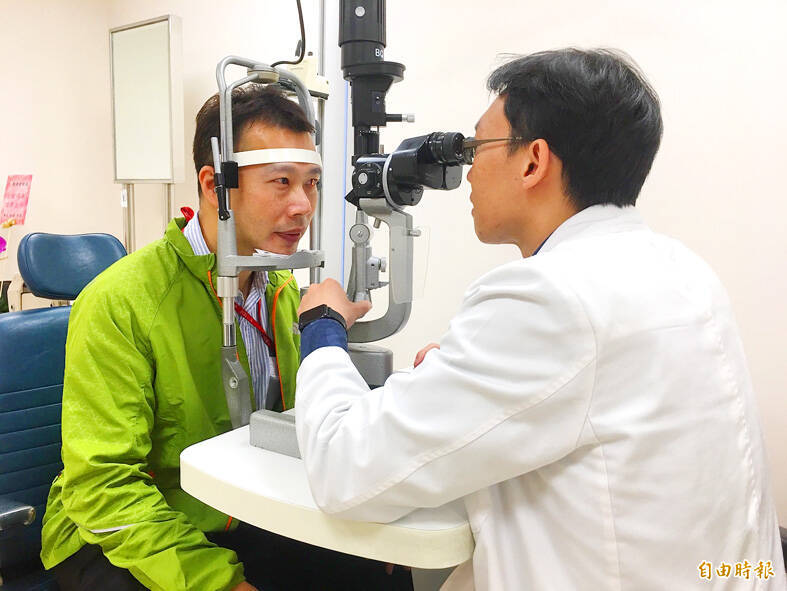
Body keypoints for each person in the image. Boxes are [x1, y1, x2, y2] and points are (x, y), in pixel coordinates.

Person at [294, 49, 787, 590]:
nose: (468, 171)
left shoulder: (550, 298)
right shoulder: (683, 270)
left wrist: (321, 328)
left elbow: (343, 467)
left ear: (534, 161)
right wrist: (461, 381)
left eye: (477, 147)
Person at [40, 85, 412, 591]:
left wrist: (368, 516)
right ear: (215, 184)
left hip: (241, 508)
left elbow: (309, 426)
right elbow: (103, 487)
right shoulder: (122, 301)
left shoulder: (280, 289)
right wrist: (219, 583)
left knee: (377, 571)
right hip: (119, 532)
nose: (303, 205)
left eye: (313, 183)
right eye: (281, 182)